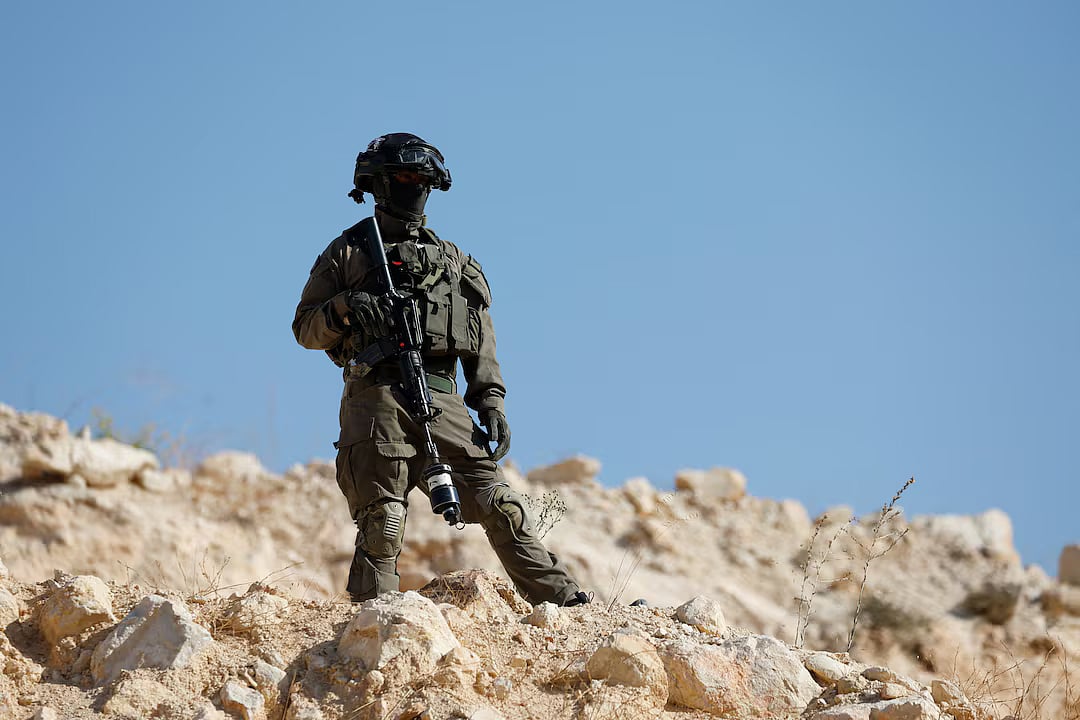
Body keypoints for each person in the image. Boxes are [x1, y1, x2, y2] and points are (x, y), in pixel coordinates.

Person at [292, 133, 588, 606]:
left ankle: (562, 603)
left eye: (420, 179)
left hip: (443, 398)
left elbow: (481, 340)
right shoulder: (347, 253)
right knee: (383, 520)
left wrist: (490, 400)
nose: (412, 186)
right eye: (403, 177)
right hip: (376, 395)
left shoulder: (454, 262)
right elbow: (306, 329)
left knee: (501, 504)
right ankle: (375, 619)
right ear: (380, 184)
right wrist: (347, 306)